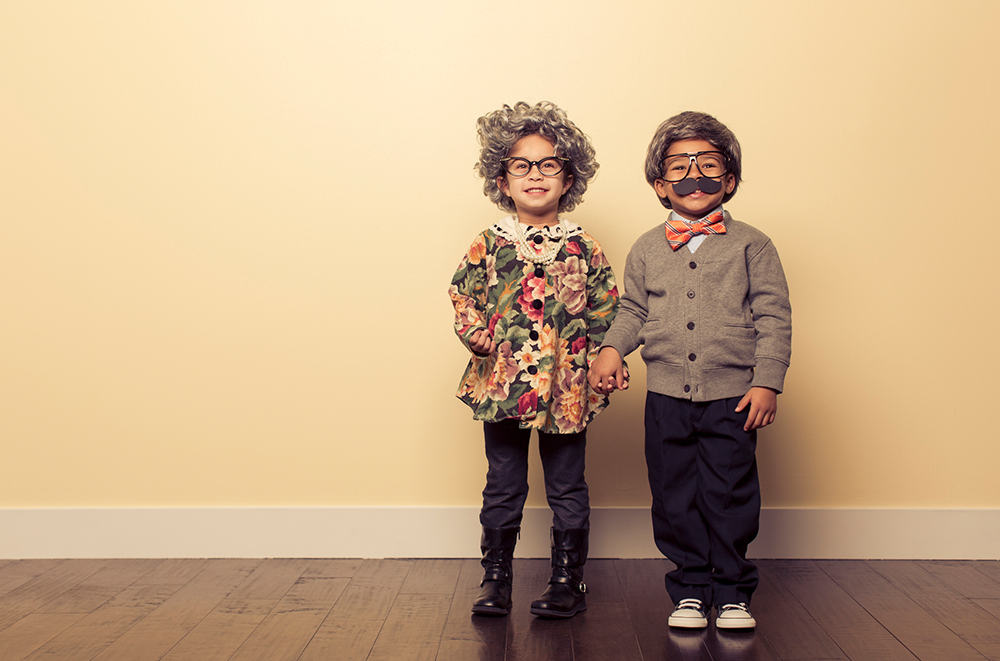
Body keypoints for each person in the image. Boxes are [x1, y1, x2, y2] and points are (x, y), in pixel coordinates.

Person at [589, 111, 791, 630]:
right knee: (674, 492)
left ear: (729, 179)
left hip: (734, 394)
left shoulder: (753, 245)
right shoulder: (647, 247)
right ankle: (690, 588)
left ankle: (731, 592)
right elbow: (633, 309)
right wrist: (613, 350)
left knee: (729, 493)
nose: (693, 176)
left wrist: (767, 380)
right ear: (660, 184)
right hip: (666, 396)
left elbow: (772, 314)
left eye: (708, 165)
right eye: (679, 166)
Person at [449, 101, 618, 619]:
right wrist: (475, 333)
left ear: (569, 178)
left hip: (566, 388)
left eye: (549, 165)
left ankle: (568, 580)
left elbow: (606, 307)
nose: (535, 175)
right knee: (504, 481)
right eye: (522, 165)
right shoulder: (489, 242)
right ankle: (495, 577)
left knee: (567, 483)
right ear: (502, 178)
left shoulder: (584, 246)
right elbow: (463, 294)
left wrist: (604, 359)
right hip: (503, 384)